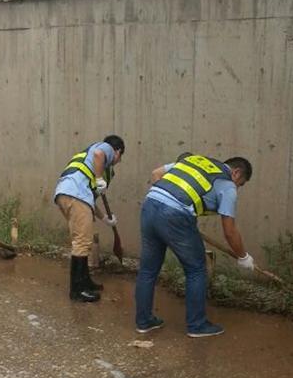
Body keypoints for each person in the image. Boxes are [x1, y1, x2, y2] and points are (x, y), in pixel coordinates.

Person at [135, 153, 255, 338]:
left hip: (150, 205)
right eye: (241, 184)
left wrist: (165, 203)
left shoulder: (195, 161)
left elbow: (156, 173)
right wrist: (243, 256)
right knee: (197, 269)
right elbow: (229, 231)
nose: (238, 188)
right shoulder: (228, 186)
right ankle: (197, 325)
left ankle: (144, 322)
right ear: (237, 173)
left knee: (148, 270)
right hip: (175, 215)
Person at [53, 135, 125, 302]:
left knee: (84, 240)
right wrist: (99, 179)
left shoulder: (93, 165)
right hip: (75, 195)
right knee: (82, 242)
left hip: (69, 194)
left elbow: (90, 200)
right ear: (118, 151)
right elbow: (99, 154)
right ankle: (77, 290)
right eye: (120, 156)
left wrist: (104, 218)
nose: (119, 161)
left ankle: (85, 282)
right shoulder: (105, 148)